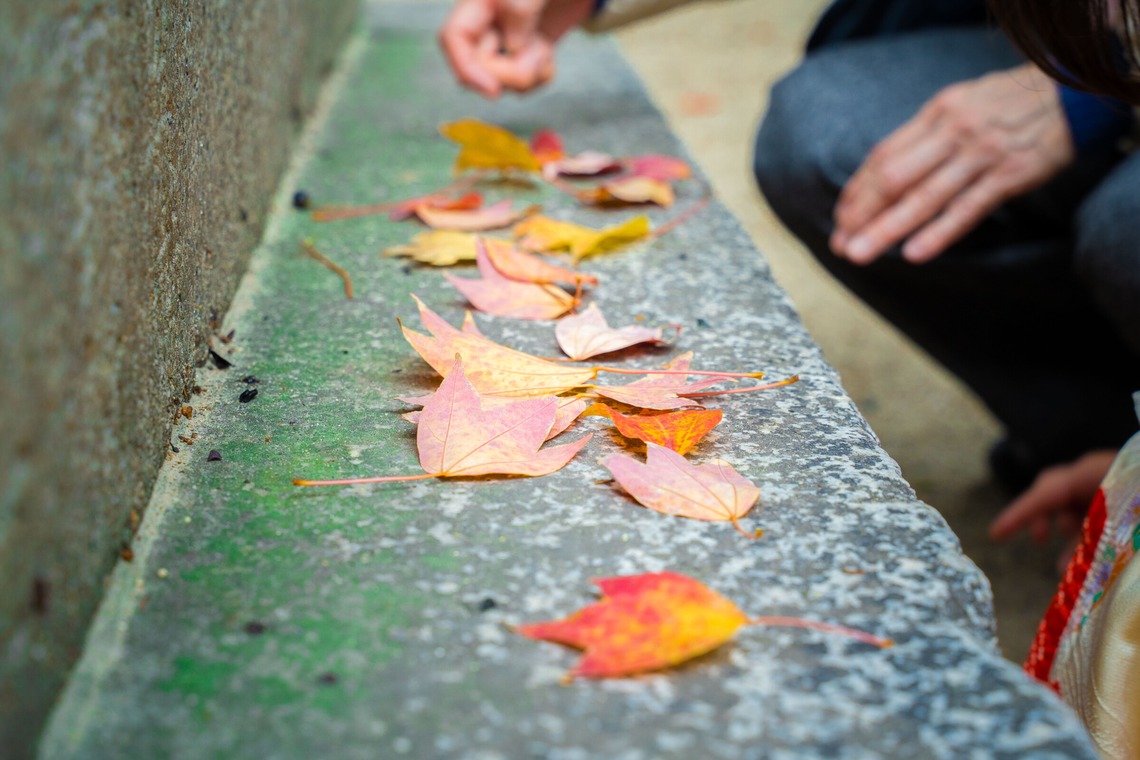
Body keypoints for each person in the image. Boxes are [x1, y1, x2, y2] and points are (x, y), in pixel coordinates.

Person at [437, 0, 1140, 544]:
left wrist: (1092, 94)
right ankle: (1104, 441)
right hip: (1085, 38)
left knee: (1126, 224)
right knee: (828, 131)